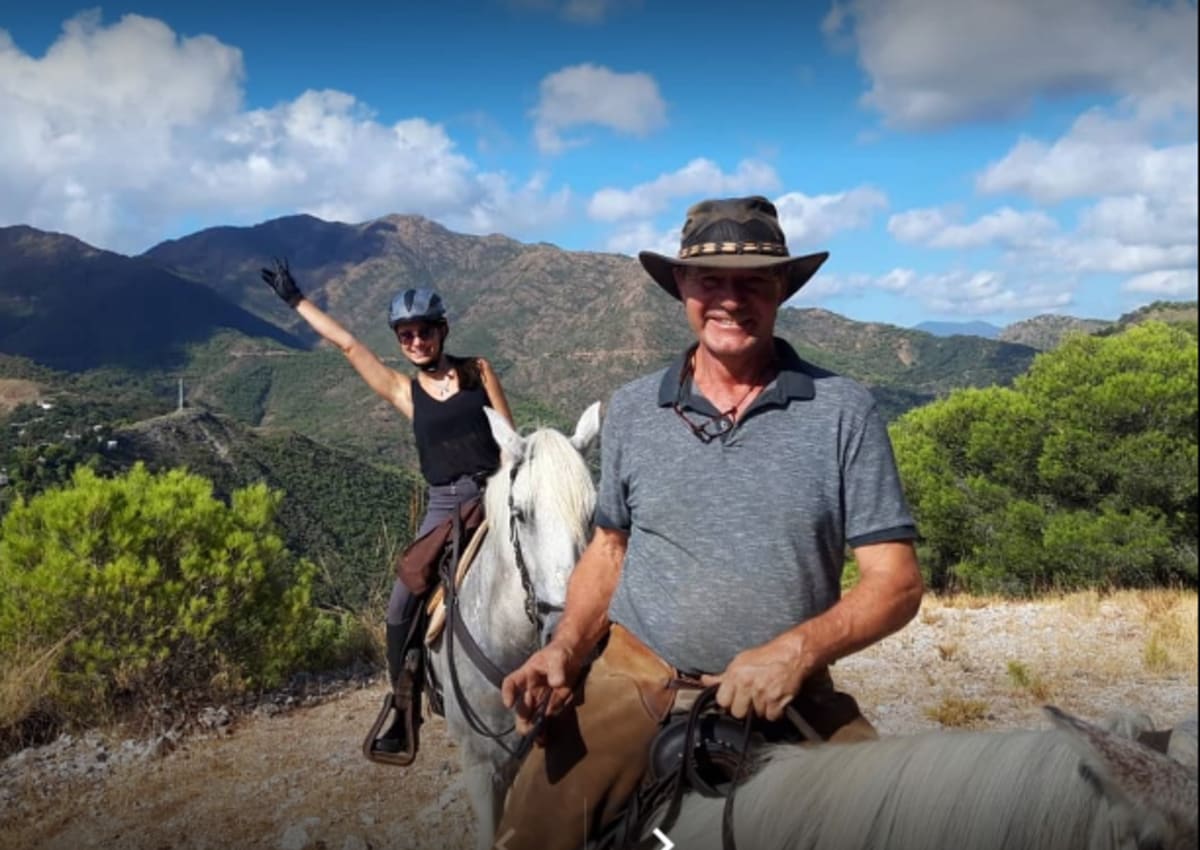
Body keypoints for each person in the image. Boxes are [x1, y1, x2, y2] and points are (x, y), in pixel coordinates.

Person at [495, 196, 924, 849]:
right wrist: (563, 649)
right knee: (527, 837)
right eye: (710, 280)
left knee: (896, 829)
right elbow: (610, 549)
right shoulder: (634, 410)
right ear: (682, 290)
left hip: (786, 692)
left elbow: (895, 583)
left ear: (783, 287)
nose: (731, 297)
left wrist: (796, 652)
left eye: (754, 279)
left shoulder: (844, 410)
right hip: (637, 678)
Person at [259, 259, 514, 764]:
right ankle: (403, 705)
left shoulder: (479, 371)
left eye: (423, 332)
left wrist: (514, 489)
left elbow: (510, 437)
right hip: (443, 504)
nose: (415, 341)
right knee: (400, 605)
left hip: (496, 491)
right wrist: (296, 300)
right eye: (406, 335)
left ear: (442, 331)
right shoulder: (406, 391)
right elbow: (350, 346)